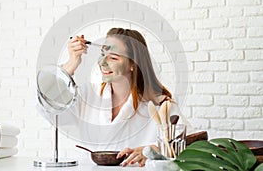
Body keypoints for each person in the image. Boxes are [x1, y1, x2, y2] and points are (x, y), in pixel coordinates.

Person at [40, 28, 187, 167]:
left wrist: (154, 150)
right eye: (102, 54)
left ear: (133, 65)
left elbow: (191, 143)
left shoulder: (160, 105)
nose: (102, 62)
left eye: (113, 58)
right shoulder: (87, 95)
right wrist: (70, 65)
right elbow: (48, 106)